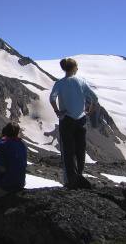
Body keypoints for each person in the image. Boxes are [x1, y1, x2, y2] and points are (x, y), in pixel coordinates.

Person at [49, 57, 98, 189]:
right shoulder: (81, 81)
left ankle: (70, 180)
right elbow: (94, 97)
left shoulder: (60, 83)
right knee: (80, 150)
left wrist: (57, 111)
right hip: (81, 119)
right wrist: (90, 109)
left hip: (66, 119)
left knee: (67, 151)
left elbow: (52, 98)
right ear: (74, 67)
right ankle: (79, 176)